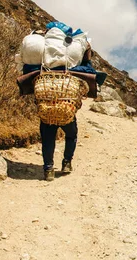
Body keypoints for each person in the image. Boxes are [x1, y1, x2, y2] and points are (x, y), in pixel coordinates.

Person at [40, 41, 93, 181]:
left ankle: (48, 169)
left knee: (47, 139)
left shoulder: (43, 64)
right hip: (66, 109)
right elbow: (90, 71)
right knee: (71, 135)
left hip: (47, 108)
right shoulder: (74, 67)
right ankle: (67, 162)